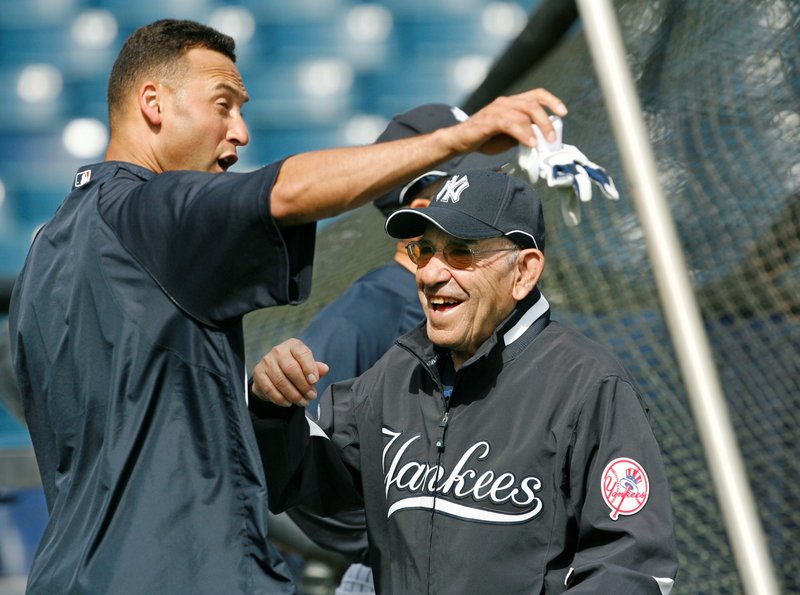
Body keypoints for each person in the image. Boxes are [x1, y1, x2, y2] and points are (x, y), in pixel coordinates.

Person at [6, 18, 569, 595]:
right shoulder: (148, 213)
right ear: (153, 102)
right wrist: (459, 138)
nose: (241, 131)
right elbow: (289, 192)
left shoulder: (42, 255)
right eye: (223, 105)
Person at [249, 169, 678, 593]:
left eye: (460, 253)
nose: (430, 274)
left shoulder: (587, 383)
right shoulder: (397, 372)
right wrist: (273, 407)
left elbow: (632, 568)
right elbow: (303, 482)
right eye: (424, 251)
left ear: (523, 272)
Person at [284, 103, 525, 594]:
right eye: (467, 183)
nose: (491, 193)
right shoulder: (373, 312)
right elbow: (292, 463)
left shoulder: (467, 311)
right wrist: (391, 540)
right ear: (417, 214)